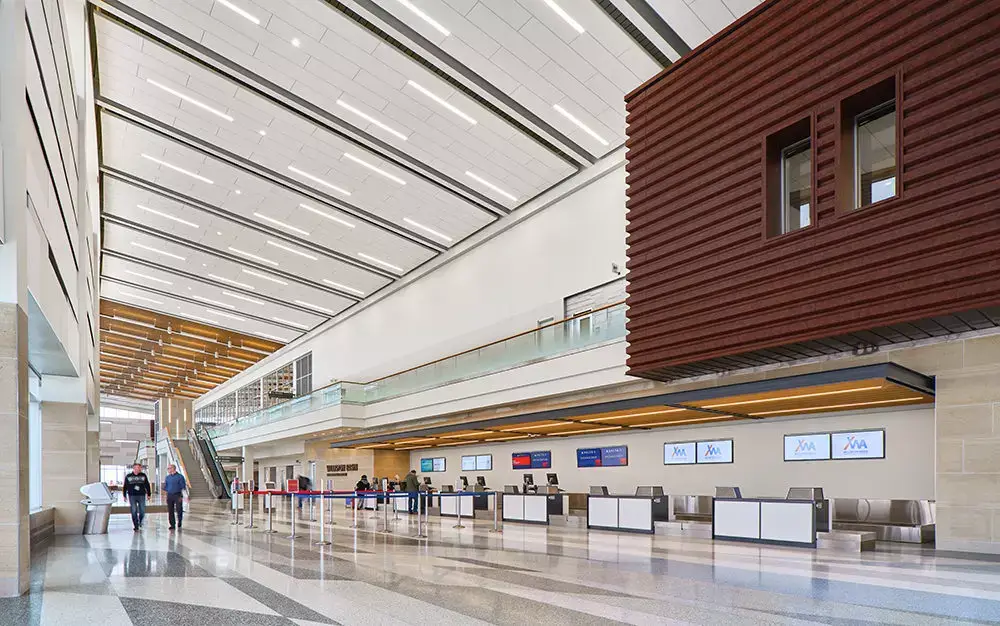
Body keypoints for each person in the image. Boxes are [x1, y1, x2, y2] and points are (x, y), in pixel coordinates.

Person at [123, 463, 151, 531]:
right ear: (134, 468)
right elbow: (125, 486)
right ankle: (136, 525)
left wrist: (149, 494)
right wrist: (124, 495)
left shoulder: (143, 476)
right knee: (134, 510)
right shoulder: (128, 476)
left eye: (139, 468)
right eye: (137, 468)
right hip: (132, 495)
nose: (138, 469)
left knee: (142, 511)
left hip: (141, 495)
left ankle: (139, 521)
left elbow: (147, 485)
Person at [162, 464, 187, 530]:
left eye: (169, 468)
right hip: (170, 495)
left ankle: (179, 521)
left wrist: (184, 496)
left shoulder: (180, 477)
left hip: (178, 495)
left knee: (179, 509)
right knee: (170, 510)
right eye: (168, 468)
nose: (168, 470)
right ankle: (172, 524)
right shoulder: (167, 477)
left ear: (173, 468)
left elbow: (183, 487)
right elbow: (166, 486)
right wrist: (165, 494)